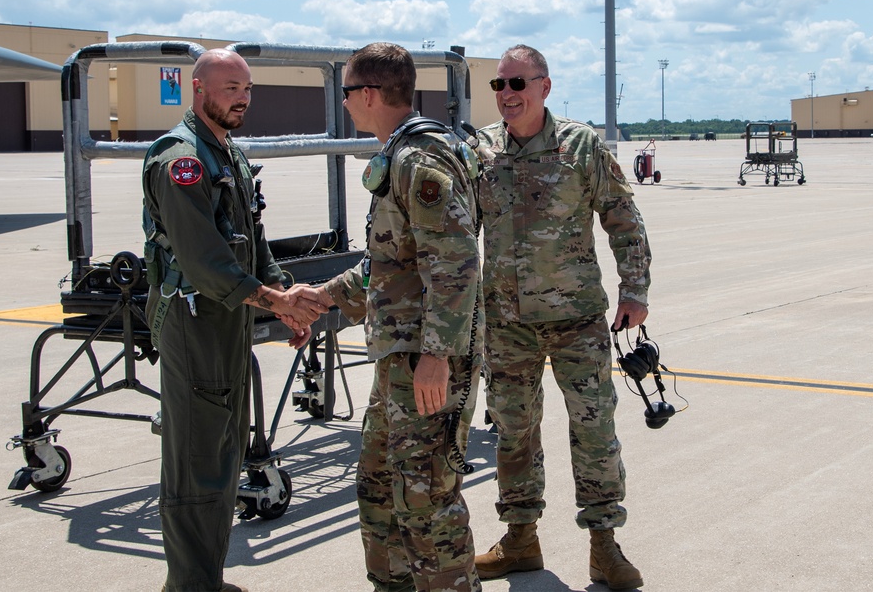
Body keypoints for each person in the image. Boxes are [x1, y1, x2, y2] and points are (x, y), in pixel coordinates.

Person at [289, 42, 484, 592]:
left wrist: (437, 358)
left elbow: (456, 263)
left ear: (369, 94)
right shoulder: (401, 155)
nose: (345, 104)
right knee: (378, 489)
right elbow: (389, 265)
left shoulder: (417, 161)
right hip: (399, 358)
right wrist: (320, 298)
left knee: (426, 501)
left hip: (426, 360)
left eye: (347, 93)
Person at [142, 48, 326, 592]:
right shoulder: (182, 159)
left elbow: (253, 243)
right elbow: (206, 265)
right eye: (230, 88)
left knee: (223, 457)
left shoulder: (229, 153)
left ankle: (205, 579)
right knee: (197, 461)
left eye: (247, 89)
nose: (242, 98)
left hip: (228, 322)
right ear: (198, 89)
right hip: (195, 320)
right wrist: (277, 302)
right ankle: (191, 586)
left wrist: (286, 295)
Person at [471, 44, 652, 591]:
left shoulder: (580, 145)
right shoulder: (481, 150)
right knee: (513, 432)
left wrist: (635, 287)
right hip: (507, 323)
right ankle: (521, 538)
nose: (507, 95)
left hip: (577, 319)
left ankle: (604, 545)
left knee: (594, 430)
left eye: (517, 84)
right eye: (499, 85)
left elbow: (622, 217)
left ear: (544, 87)